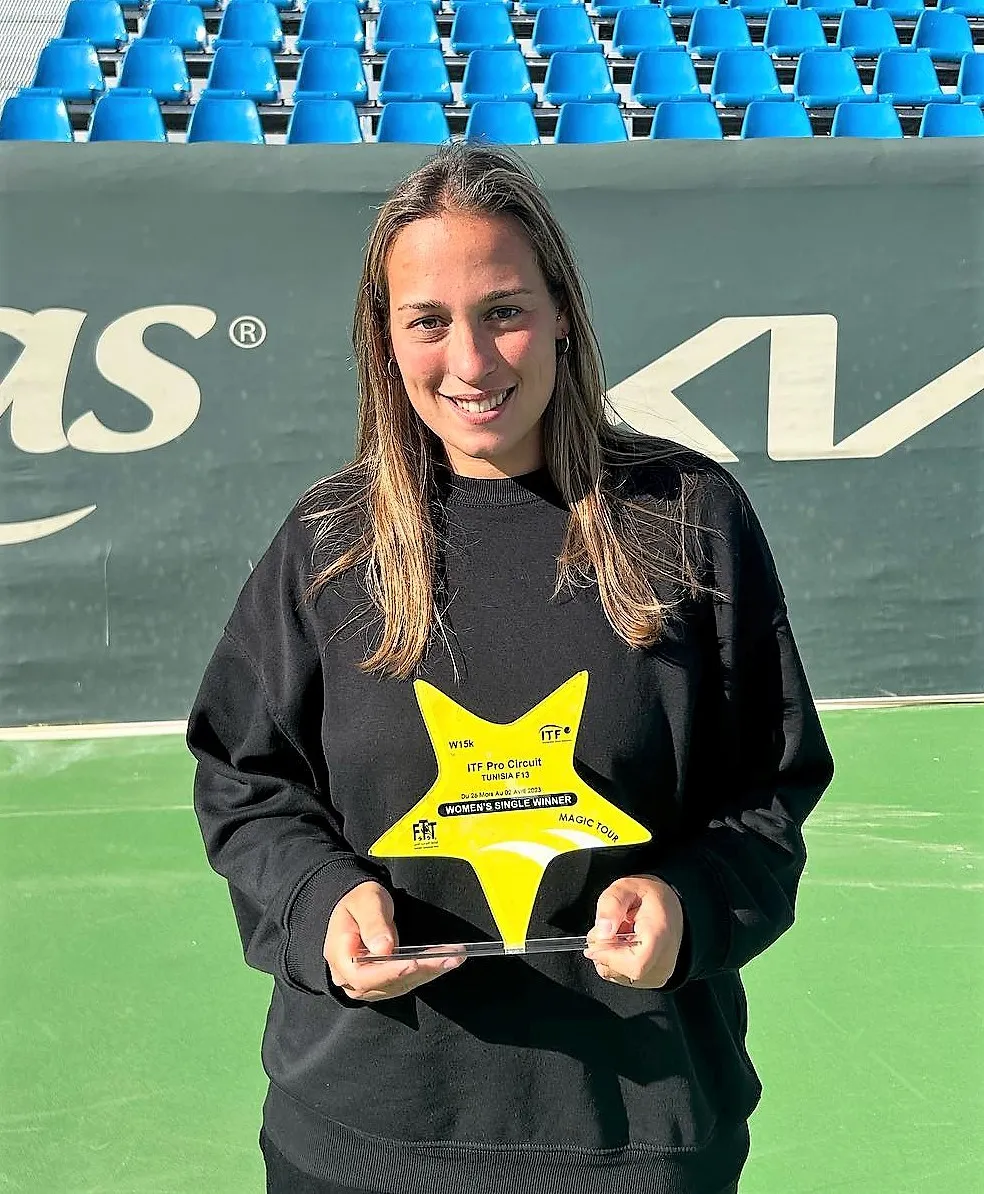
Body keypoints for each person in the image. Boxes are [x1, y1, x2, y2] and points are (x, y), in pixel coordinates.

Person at [187, 141, 834, 1194]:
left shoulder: (687, 518)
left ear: (564, 314)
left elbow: (771, 788)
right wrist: (315, 901)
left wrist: (688, 905)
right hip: (363, 1139)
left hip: (637, 1133)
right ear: (384, 340)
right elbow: (245, 780)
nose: (475, 362)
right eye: (428, 321)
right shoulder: (329, 541)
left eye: (504, 310)